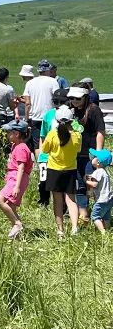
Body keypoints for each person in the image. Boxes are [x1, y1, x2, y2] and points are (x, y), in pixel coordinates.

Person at [41, 105, 81, 239]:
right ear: (72, 121)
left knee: (57, 201)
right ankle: (75, 227)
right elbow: (78, 150)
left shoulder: (52, 134)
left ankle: (60, 230)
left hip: (54, 170)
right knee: (71, 200)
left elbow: (45, 150)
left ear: (56, 121)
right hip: (70, 170)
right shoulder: (76, 135)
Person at [68, 84, 106, 224]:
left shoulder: (94, 110)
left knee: (92, 184)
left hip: (90, 155)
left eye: (77, 98)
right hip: (75, 154)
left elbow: (100, 131)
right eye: (72, 98)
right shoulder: (71, 110)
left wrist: (98, 153)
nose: (74, 100)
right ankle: (84, 215)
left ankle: (100, 215)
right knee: (79, 185)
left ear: (85, 97)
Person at [0, 120, 33, 239]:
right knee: (10, 206)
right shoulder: (15, 146)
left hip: (17, 178)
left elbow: (21, 168)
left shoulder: (21, 148)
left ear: (16, 134)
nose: (6, 134)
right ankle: (19, 231)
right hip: (14, 177)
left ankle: (17, 224)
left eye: (9, 132)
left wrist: (16, 185)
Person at [37, 89, 70, 207]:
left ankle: (64, 206)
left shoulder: (70, 115)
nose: (58, 105)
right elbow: (43, 135)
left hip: (62, 155)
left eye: (62, 102)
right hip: (47, 155)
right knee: (43, 181)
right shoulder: (49, 115)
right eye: (55, 102)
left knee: (61, 183)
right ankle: (44, 202)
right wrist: (41, 155)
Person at [23, 60, 60, 153]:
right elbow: (58, 98)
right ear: (48, 69)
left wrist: (27, 119)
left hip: (35, 117)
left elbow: (27, 103)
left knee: (38, 144)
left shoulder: (30, 83)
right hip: (50, 116)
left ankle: (41, 165)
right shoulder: (53, 81)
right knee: (52, 141)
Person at [85, 148, 111, 234]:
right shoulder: (105, 172)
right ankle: (107, 229)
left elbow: (95, 184)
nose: (92, 158)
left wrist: (86, 180)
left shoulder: (98, 171)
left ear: (98, 162)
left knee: (95, 216)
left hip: (101, 200)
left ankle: (103, 232)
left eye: (94, 157)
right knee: (106, 216)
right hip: (109, 199)